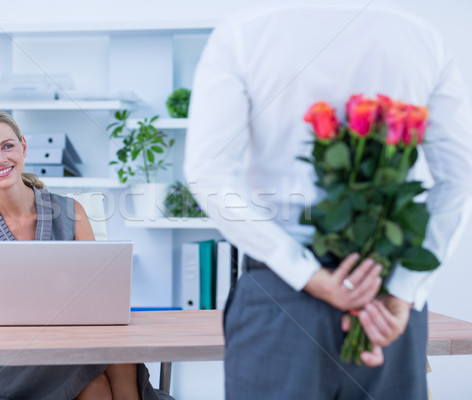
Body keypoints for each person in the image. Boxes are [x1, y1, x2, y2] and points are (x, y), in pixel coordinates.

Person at [184, 1, 472, 399]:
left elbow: (209, 172)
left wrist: (309, 276)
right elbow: (459, 177)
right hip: (384, 295)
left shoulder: (245, 32)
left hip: (280, 298)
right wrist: (404, 290)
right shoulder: (419, 35)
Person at [0, 109, 159, 400]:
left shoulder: (72, 212)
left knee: (118, 360)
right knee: (99, 381)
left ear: (23, 147)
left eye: (8, 146)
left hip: (73, 344)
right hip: (18, 359)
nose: (0, 159)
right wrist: (2, 303)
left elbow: (101, 294)